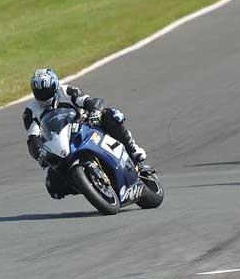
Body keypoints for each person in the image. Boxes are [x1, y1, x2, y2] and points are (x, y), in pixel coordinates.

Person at [23, 68, 148, 199]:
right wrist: (39, 154)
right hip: (59, 145)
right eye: (40, 94)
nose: (44, 97)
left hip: (84, 127)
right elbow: (33, 138)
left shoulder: (66, 91)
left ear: (55, 86)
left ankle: (133, 150)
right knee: (52, 186)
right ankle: (89, 185)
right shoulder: (30, 111)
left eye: (47, 92)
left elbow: (91, 101)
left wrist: (95, 111)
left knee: (111, 115)